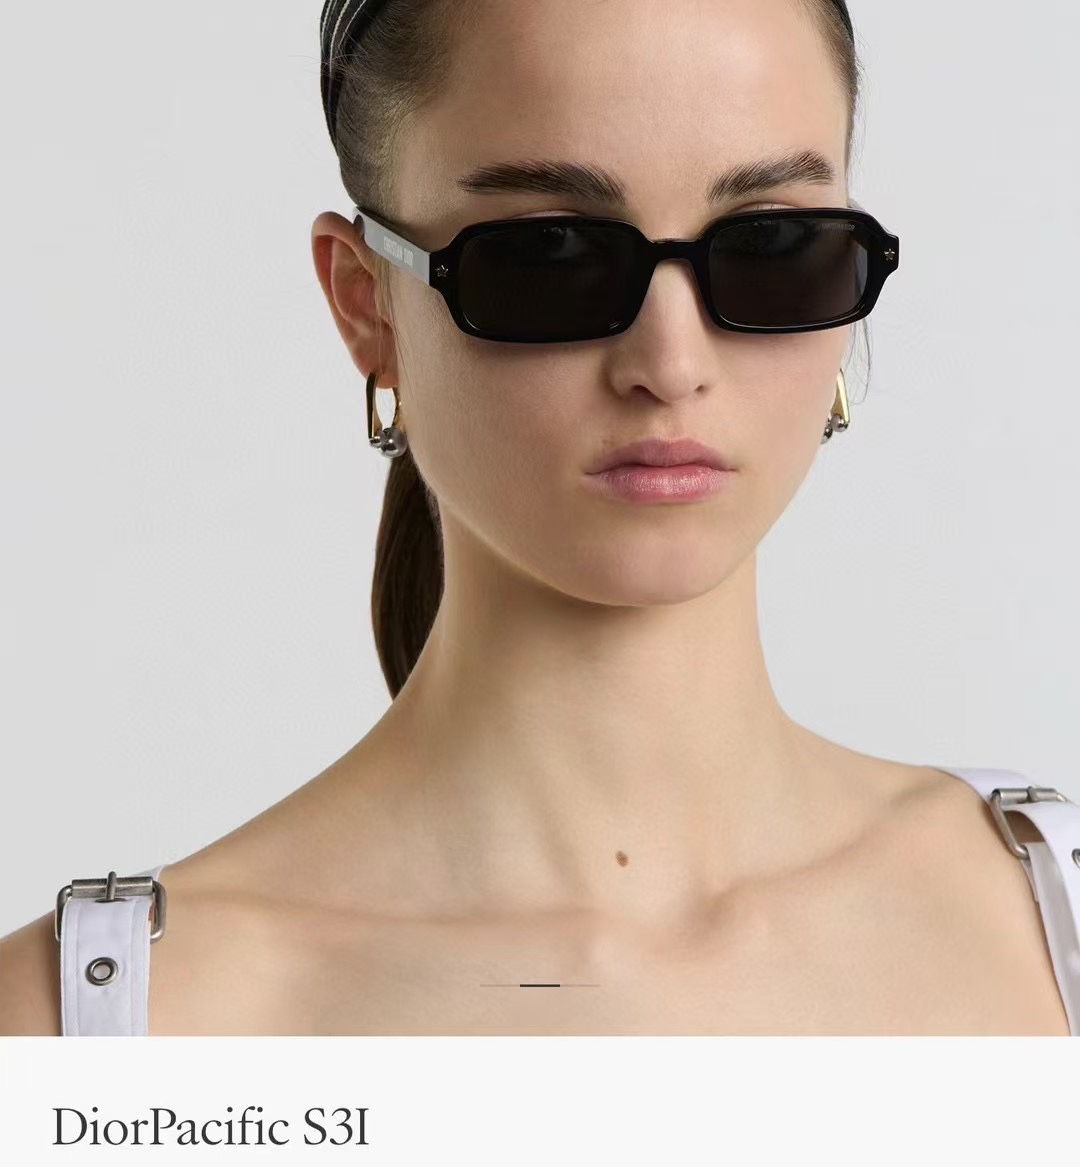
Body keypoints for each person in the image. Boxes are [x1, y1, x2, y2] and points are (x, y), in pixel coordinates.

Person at [1, 0, 1076, 1036]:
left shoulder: (1046, 917)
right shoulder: (88, 1029)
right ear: (367, 304)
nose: (671, 364)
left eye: (771, 242)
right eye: (550, 252)